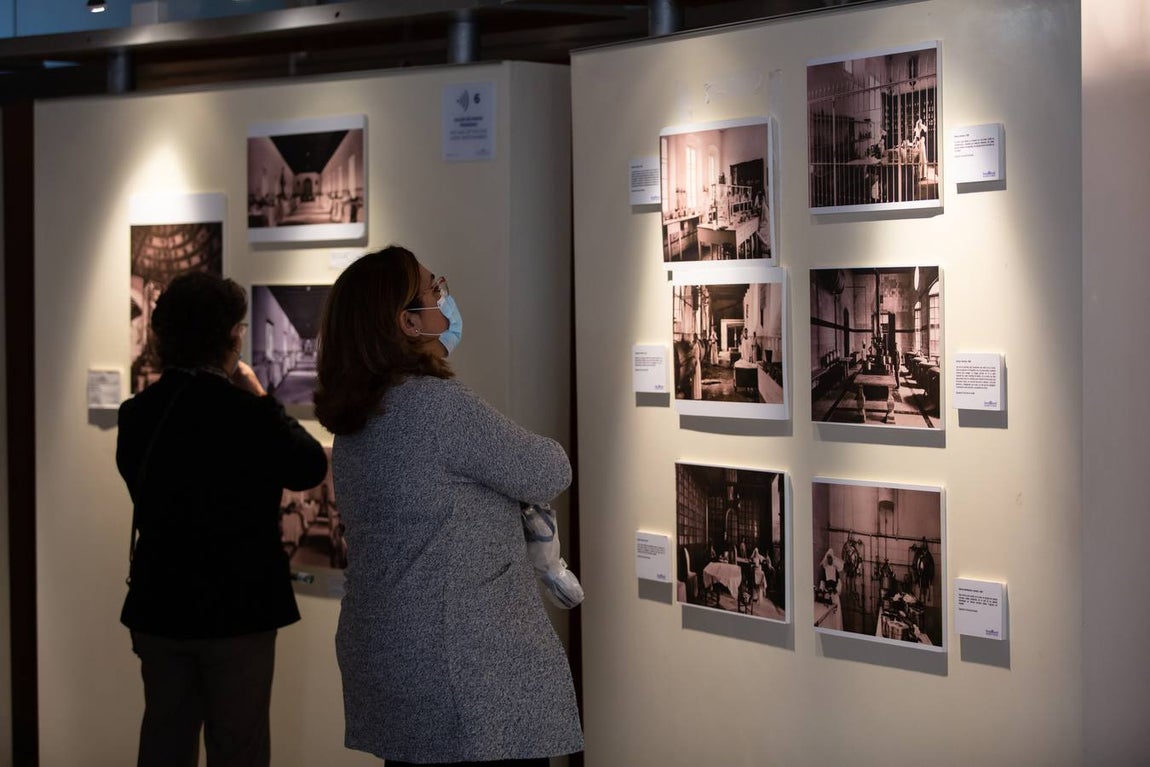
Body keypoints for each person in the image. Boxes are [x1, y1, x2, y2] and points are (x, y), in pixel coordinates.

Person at [313, 246, 583, 766]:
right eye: (434, 288)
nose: (445, 296)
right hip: (464, 662)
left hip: (393, 649)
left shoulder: (355, 420)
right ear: (408, 323)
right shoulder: (435, 405)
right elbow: (549, 470)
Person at [116, 271, 328, 767]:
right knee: (238, 750)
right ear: (231, 337)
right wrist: (259, 394)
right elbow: (309, 466)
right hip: (239, 612)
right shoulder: (247, 414)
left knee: (164, 744)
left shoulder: (137, 413)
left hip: (160, 606)